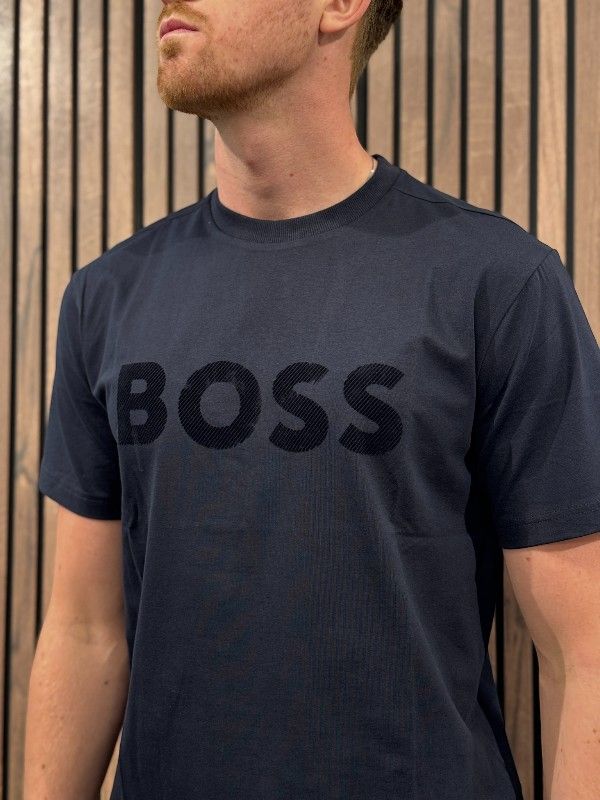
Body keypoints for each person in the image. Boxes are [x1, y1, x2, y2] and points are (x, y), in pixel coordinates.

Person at [25, 1, 600, 798]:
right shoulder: (106, 297)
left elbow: (582, 652)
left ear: (338, 6)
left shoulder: (498, 283)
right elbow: (85, 632)